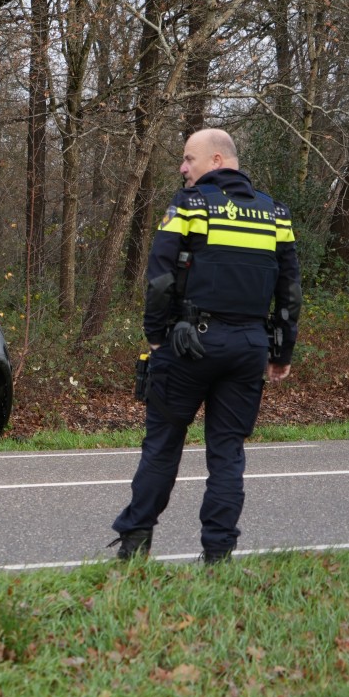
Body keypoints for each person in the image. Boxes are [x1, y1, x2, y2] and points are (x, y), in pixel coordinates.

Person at [108, 127, 301, 564]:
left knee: (162, 444)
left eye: (188, 158)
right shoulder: (276, 214)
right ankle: (219, 555)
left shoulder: (190, 206)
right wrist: (281, 352)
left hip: (188, 344)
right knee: (227, 454)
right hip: (249, 347)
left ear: (216, 160)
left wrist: (155, 335)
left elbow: (159, 279)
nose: (182, 167)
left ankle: (135, 545)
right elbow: (290, 291)